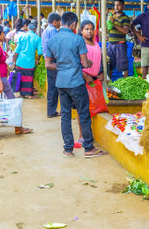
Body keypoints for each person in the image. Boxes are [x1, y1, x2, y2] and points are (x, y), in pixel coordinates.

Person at [45, 12, 106, 158]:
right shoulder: (77, 39)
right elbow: (85, 63)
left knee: (65, 115)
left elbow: (48, 64)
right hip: (76, 82)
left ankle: (68, 149)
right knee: (84, 114)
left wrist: (63, 67)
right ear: (73, 24)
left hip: (61, 82)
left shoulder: (52, 40)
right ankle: (89, 148)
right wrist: (87, 63)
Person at [0, 25, 33, 134]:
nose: (4, 34)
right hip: (1, 78)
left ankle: (18, 127)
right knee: (13, 102)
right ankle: (18, 127)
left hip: (2, 77)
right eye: (3, 33)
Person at [77, 20, 104, 146]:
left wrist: (101, 72)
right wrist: (85, 75)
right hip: (82, 78)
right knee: (82, 108)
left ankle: (91, 133)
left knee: (94, 105)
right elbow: (75, 62)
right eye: (86, 29)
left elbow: (100, 59)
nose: (89, 31)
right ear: (81, 31)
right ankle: (82, 135)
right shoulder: (79, 43)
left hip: (94, 78)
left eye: (91, 29)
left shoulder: (96, 43)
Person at [13, 22, 42, 99]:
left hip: (20, 61)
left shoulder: (22, 37)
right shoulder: (37, 38)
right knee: (29, 78)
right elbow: (40, 51)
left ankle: (22, 94)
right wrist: (37, 60)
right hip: (30, 62)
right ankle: (30, 94)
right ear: (35, 29)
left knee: (21, 78)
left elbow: (17, 50)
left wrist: (14, 60)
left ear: (28, 29)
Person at [42, 12, 62, 118]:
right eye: (59, 22)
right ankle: (60, 110)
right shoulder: (53, 30)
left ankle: (51, 111)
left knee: (51, 88)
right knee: (59, 87)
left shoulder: (45, 30)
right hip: (53, 61)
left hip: (47, 60)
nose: (60, 24)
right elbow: (56, 46)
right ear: (55, 21)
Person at [107, 0, 131, 78]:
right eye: (115, 5)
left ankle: (125, 82)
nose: (116, 7)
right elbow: (108, 28)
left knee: (123, 65)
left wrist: (114, 24)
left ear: (123, 6)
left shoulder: (125, 18)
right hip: (111, 45)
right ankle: (109, 83)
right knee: (110, 65)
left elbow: (125, 31)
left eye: (119, 5)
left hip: (120, 45)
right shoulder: (111, 16)